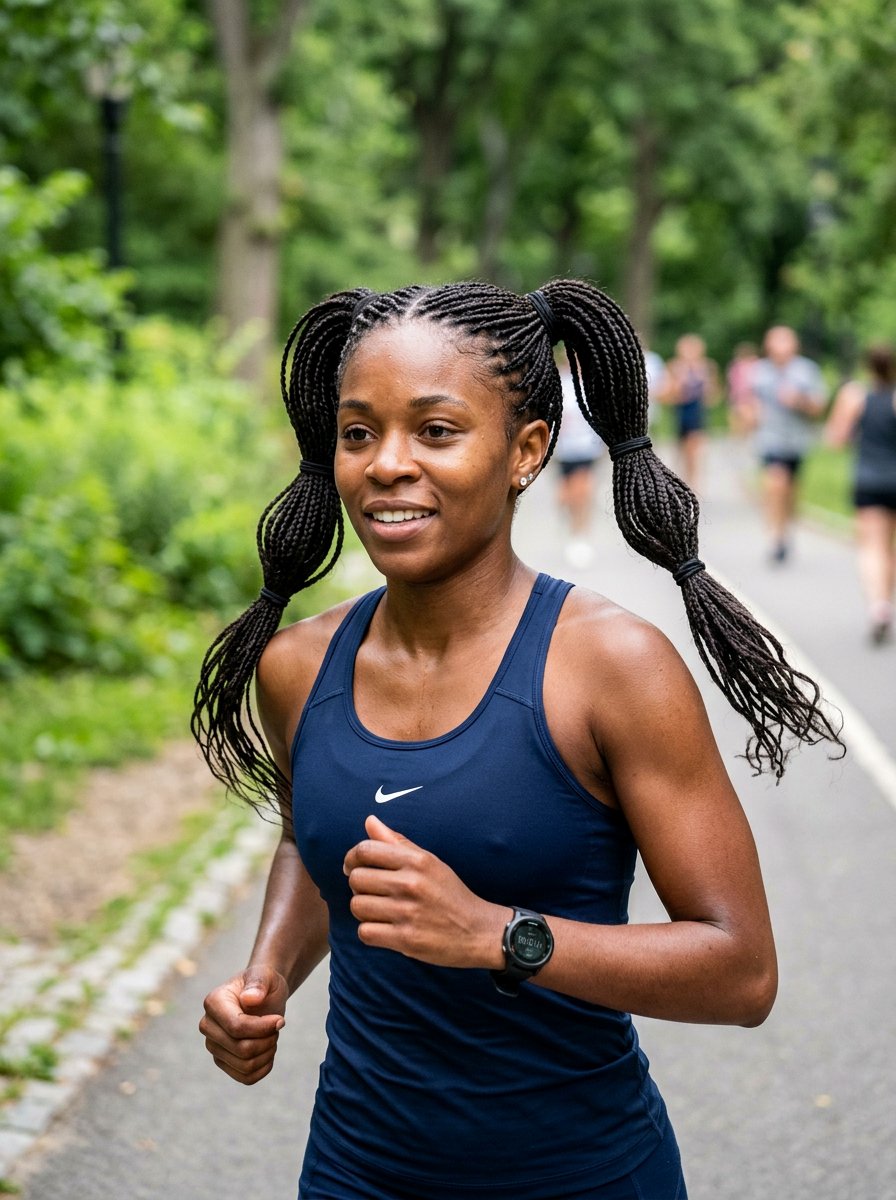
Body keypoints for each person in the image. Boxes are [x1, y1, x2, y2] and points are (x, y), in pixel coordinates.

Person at [193, 281, 843, 1200]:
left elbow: (742, 971)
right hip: (353, 1172)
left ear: (527, 450)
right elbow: (314, 838)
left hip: (582, 1175)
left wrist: (498, 935)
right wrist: (263, 983)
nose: (386, 465)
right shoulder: (298, 666)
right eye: (358, 432)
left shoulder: (612, 666)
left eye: (437, 430)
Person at [825, 344, 896, 644]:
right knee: (890, 547)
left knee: (871, 547)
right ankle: (886, 603)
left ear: (867, 366)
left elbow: (835, 439)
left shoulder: (853, 395)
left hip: (868, 479)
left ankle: (878, 607)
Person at [751, 326, 827, 563]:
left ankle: (786, 530)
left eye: (786, 343)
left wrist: (800, 400)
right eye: (776, 343)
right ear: (769, 346)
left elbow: (819, 407)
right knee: (776, 482)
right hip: (769, 439)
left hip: (797, 441)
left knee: (790, 491)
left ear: (794, 346)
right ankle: (775, 537)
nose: (781, 349)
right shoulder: (759, 372)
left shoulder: (806, 371)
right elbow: (748, 401)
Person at [554, 347, 604, 567]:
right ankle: (574, 527)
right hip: (564, 449)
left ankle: (580, 536)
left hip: (587, 447)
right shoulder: (558, 383)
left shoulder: (592, 384)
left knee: (582, 491)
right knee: (565, 497)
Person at [658, 334, 718, 491]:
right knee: (681, 450)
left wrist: (707, 386)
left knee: (694, 450)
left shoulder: (706, 367)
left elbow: (713, 395)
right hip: (680, 412)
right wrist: (679, 384)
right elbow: (665, 395)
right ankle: (682, 480)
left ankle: (692, 483)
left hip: (697, 412)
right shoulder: (674, 367)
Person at [725, 342, 759, 437]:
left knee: (747, 421)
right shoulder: (738, 367)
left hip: (747, 398)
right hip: (743, 398)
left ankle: (744, 437)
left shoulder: (754, 366)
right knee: (742, 421)